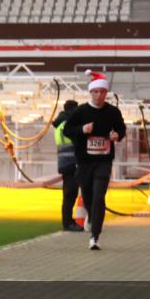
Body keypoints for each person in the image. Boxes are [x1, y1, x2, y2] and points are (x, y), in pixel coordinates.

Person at [63, 71, 126, 251]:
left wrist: (117, 135)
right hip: (84, 161)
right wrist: (82, 129)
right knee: (89, 196)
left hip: (104, 161)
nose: (99, 95)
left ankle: (95, 236)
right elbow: (67, 130)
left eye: (103, 92)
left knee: (99, 196)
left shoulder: (113, 112)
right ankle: (92, 216)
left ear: (106, 94)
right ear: (90, 93)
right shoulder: (81, 111)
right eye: (96, 92)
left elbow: (121, 129)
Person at [52, 100, 82, 231]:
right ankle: (68, 223)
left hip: (65, 163)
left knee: (68, 194)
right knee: (70, 194)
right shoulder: (68, 125)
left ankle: (68, 221)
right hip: (72, 163)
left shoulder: (60, 125)